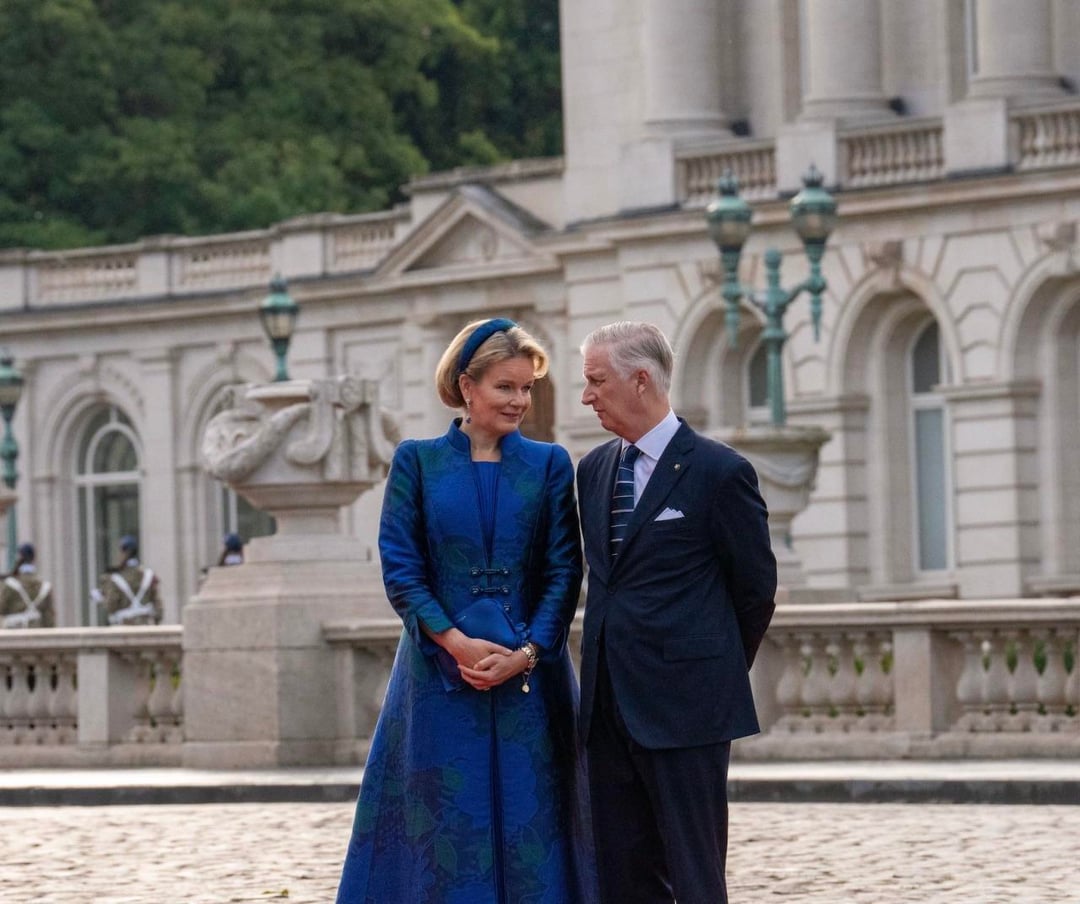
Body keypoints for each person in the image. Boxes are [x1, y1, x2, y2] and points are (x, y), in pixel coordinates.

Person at [336, 318, 596, 903]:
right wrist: (454, 642)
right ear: (466, 385)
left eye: (527, 389)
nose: (520, 401)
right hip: (435, 678)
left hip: (532, 682)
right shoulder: (417, 462)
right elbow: (401, 569)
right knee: (444, 822)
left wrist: (526, 654)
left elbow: (563, 573)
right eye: (506, 387)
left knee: (535, 817)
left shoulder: (551, 465)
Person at [577, 321, 777, 904]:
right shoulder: (591, 471)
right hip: (607, 709)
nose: (586, 396)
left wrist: (707, 671)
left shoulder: (721, 472)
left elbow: (755, 592)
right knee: (620, 873)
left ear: (641, 380)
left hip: (688, 709)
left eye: (596, 381)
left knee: (693, 874)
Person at [92, 535, 162, 625]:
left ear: (125, 553)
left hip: (124, 628)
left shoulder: (115, 578)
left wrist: (102, 599)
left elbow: (111, 605)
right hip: (145, 626)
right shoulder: (148, 575)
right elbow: (158, 607)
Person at [1, 542, 54, 628]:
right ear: (33, 559)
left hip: (14, 634)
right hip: (36, 634)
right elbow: (49, 620)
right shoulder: (45, 587)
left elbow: (2, 608)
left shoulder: (10, 585)